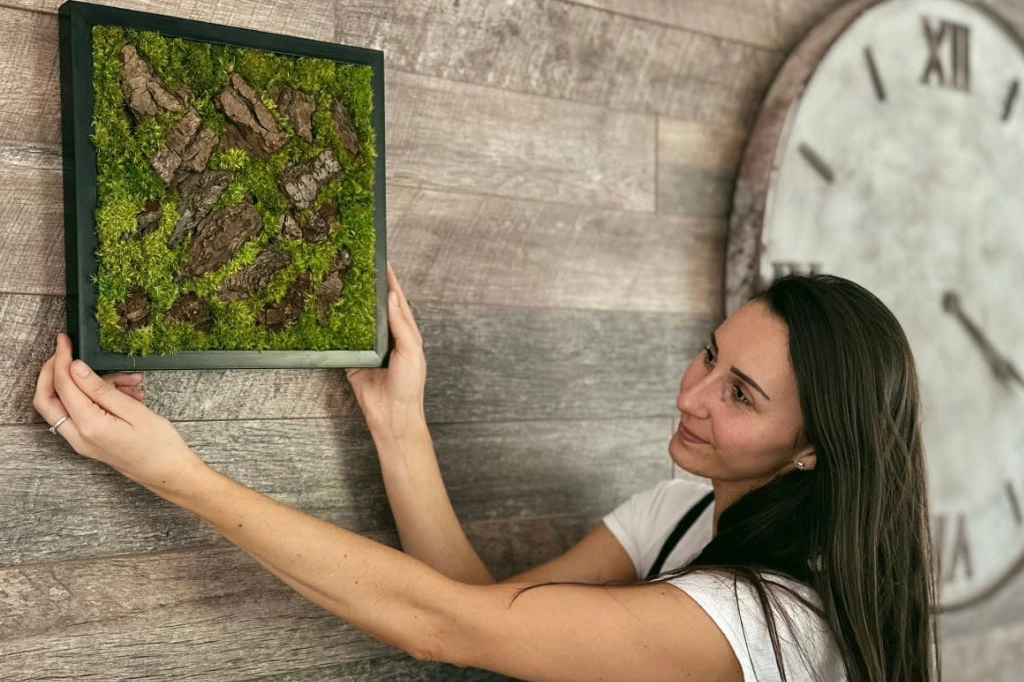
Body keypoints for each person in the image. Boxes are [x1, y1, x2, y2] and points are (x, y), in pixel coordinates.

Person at [34, 267, 937, 681]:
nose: (692, 393)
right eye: (707, 354)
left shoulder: (766, 622)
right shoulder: (680, 511)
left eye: (739, 393)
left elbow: (449, 628)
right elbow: (490, 607)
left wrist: (178, 476)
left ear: (815, 447)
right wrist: (398, 422)